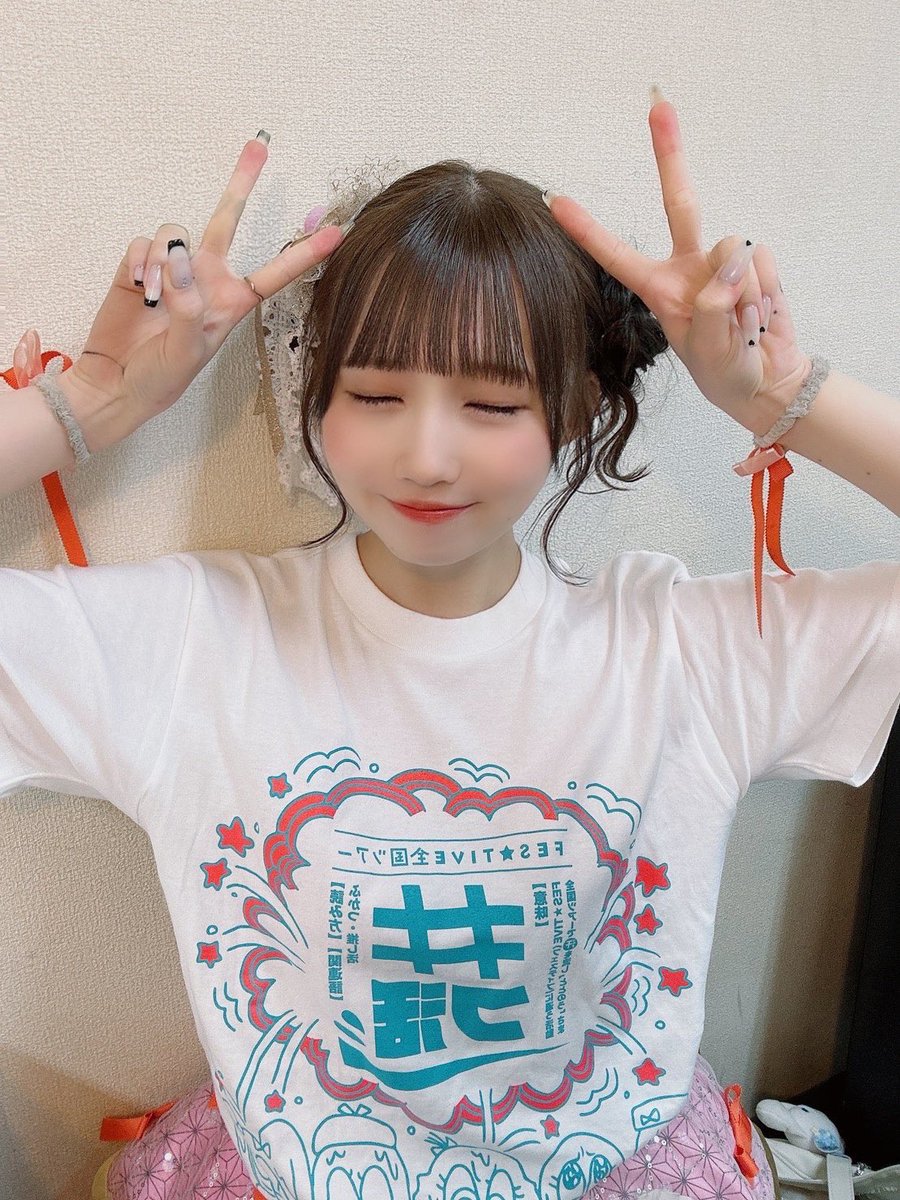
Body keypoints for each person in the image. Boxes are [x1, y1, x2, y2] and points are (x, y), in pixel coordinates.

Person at [1, 94, 897, 1200]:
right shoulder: (193, 643)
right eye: (375, 394)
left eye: (492, 404)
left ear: (576, 406)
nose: (426, 456)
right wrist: (91, 401)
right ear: (316, 396)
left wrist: (784, 396)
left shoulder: (683, 652)